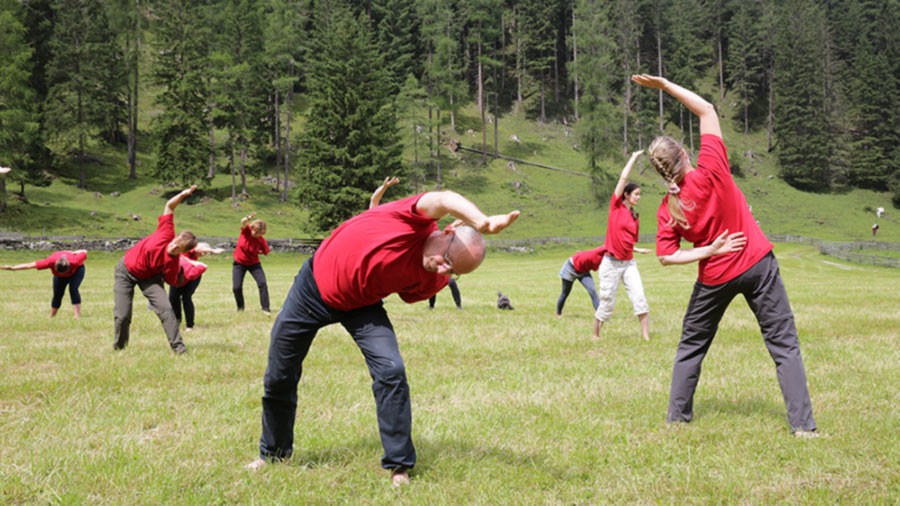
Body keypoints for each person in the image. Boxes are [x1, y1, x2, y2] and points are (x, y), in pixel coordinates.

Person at [245, 191, 519, 486]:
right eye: (446, 260)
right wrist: (482, 221)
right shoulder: (410, 220)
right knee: (279, 375)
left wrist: (442, 270)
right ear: (447, 231)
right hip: (311, 291)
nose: (443, 271)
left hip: (362, 304)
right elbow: (443, 197)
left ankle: (399, 466)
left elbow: (409, 293)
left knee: (391, 371)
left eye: (452, 272)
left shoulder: (434, 277)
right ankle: (272, 453)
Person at [632, 74, 817, 436]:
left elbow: (666, 257)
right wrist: (666, 86)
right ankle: (804, 428)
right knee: (783, 343)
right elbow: (707, 110)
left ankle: (677, 420)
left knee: (691, 347)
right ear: (684, 155)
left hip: (715, 277)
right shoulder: (712, 168)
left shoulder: (669, 208)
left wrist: (708, 250)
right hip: (758, 264)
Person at [113, 185, 198, 354]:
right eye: (175, 241)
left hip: (149, 278)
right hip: (126, 271)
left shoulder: (173, 264)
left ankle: (179, 349)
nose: (173, 246)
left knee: (166, 309)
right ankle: (119, 348)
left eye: (178, 247)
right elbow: (169, 206)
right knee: (123, 315)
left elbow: (172, 280)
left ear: (183, 252)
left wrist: (184, 273)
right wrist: (183, 194)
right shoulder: (166, 231)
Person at [593, 150, 652, 341]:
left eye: (639, 194)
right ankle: (596, 333)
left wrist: (637, 249)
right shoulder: (615, 207)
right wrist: (633, 158)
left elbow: (626, 240)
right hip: (610, 263)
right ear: (625, 195)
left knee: (639, 296)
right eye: (635, 194)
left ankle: (645, 336)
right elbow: (623, 178)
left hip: (628, 263)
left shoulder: (635, 217)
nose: (638, 197)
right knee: (607, 300)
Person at [1, 249, 88, 318]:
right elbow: (29, 265)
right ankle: (52, 316)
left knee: (73, 289)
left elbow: (84, 251)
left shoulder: (75, 261)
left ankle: (77, 316)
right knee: (57, 293)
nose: (63, 274)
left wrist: (74, 252)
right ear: (54, 266)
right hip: (59, 276)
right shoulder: (50, 261)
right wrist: (13, 268)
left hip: (76, 272)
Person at [168, 242, 225, 331]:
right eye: (203, 252)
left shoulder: (195, 258)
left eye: (205, 254)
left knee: (186, 297)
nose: (203, 254)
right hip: (179, 275)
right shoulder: (188, 250)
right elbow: (198, 249)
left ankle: (189, 325)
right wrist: (212, 250)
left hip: (193, 277)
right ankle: (176, 322)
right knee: (173, 298)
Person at [233, 212, 271, 314]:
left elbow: (266, 251)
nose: (255, 233)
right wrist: (248, 217)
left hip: (254, 264)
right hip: (239, 263)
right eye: (254, 230)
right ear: (252, 227)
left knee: (262, 283)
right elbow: (243, 221)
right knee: (236, 287)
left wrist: (260, 251)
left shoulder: (261, 240)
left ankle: (265, 308)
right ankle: (240, 308)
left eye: (258, 232)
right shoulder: (246, 231)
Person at [556, 246, 605, 317]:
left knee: (593, 291)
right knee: (565, 293)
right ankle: (558, 313)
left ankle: (600, 315)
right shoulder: (597, 258)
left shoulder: (601, 257)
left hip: (583, 271)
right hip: (570, 268)